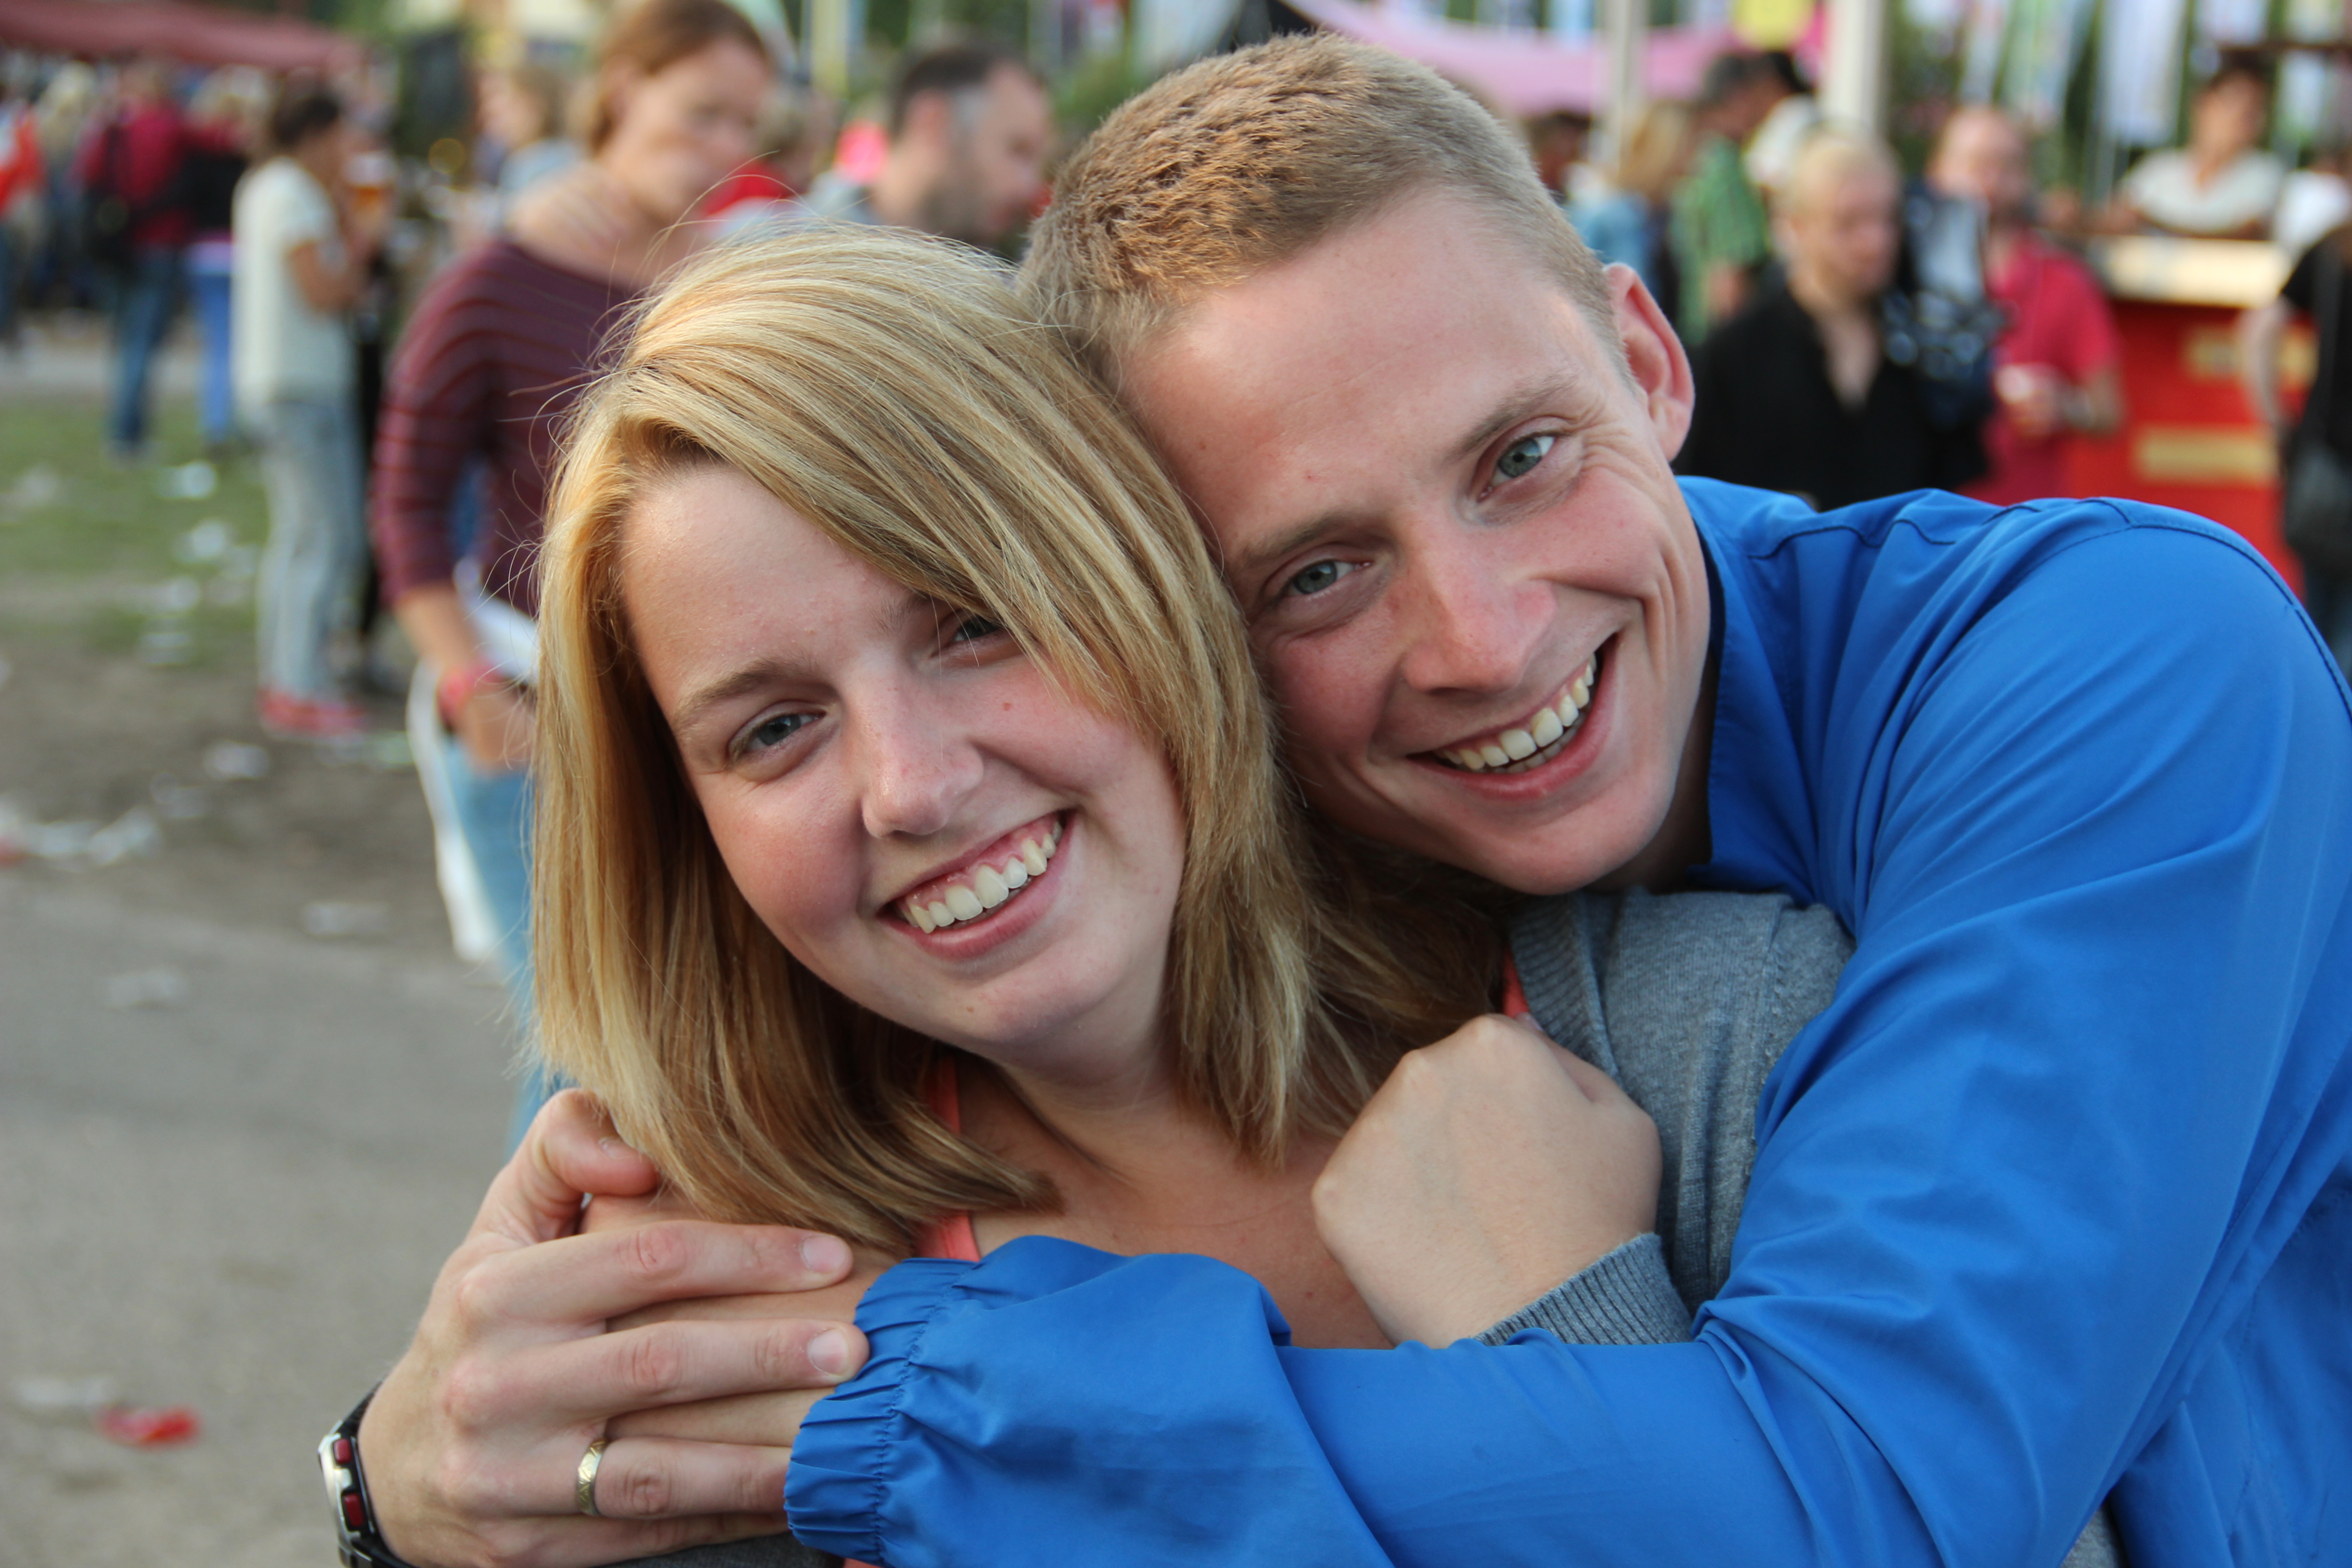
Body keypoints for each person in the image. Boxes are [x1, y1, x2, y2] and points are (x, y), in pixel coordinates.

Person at [358, 34, 2352, 1568]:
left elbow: (1857, 1494)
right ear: (1186, 618)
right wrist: (410, 1479)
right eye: (1310, 570)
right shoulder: (739, 1166)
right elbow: (513, 1399)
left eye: (1519, 451)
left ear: (1645, 353)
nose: (1477, 638)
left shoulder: (2079, 686)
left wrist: (878, 1400)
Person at [350, 223, 1859, 1568]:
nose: (912, 784)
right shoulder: (729, 1328)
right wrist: (388, 1507)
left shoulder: (1722, 1047)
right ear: (692, 836)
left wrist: (1576, 1344)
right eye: (773, 728)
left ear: (1147, 581)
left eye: (971, 624)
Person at [370, 0, 768, 1144]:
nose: (720, 146)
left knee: (678, 1039)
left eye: (744, 122)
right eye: (699, 111)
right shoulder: (498, 276)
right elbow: (401, 507)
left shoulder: (728, 281)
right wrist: (468, 692)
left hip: (681, 713)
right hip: (526, 709)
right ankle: (519, 1306)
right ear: (621, 90)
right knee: (587, 1054)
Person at [1680, 130, 1985, 507]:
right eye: (1849, 223)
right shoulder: (1732, 356)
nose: (1876, 242)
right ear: (1794, 226)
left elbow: (1954, 494)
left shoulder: (1929, 351)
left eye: (1888, 218)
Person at [234, 86, 382, 740]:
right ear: (319, 134)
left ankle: (286, 678)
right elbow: (323, 290)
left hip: (277, 382)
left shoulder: (267, 186)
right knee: (331, 537)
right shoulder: (292, 192)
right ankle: (302, 685)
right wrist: (365, 246)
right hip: (302, 387)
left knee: (297, 538)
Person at [1928, 104, 2121, 507]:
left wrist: (2070, 407)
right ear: (1938, 170)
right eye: (1975, 162)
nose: (1990, 177)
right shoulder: (1904, 275)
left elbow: (2110, 412)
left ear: (2027, 177)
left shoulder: (2066, 281)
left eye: (2007, 163)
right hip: (1920, 518)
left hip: (2023, 524)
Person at [789, 42, 1048, 250]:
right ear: (934, 123)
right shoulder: (769, 254)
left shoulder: (1006, 296)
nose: (1029, 187)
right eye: (1017, 151)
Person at [2242, 224, 2352, 676]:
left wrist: (2276, 423)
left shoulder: (2332, 247)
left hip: (2324, 462)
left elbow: (2258, 330)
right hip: (2326, 466)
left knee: (2318, 632)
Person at [74, 57, 191, 461]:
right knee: (142, 342)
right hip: (158, 243)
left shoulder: (110, 129)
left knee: (124, 339)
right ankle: (128, 433)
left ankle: (122, 429)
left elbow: (84, 179)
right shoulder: (172, 129)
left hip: (116, 243)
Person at [1668, 50, 1779, 342]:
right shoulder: (1727, 170)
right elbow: (1729, 281)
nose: (1766, 113)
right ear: (1740, 96)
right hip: (1717, 342)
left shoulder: (1698, 160)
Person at [2109, 56, 2285, 239]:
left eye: (2253, 110)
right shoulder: (2159, 167)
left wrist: (2151, 225)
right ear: (2202, 104)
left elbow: (2247, 234)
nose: (2240, 116)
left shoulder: (2265, 173)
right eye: (2232, 102)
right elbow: (2115, 219)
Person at [184, 69, 261, 455]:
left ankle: (216, 423)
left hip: (205, 252)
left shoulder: (198, 151)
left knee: (218, 345)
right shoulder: (251, 156)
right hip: (243, 254)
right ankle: (241, 422)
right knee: (244, 344)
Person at [1568, 98, 1691, 322]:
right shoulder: (1605, 216)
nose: (1699, 156)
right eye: (1692, 145)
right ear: (1667, 150)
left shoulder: (1666, 217)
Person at [479, 61, 582, 202]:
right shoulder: (566, 154)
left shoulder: (537, 166)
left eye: (500, 113)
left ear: (534, 107)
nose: (490, 110)